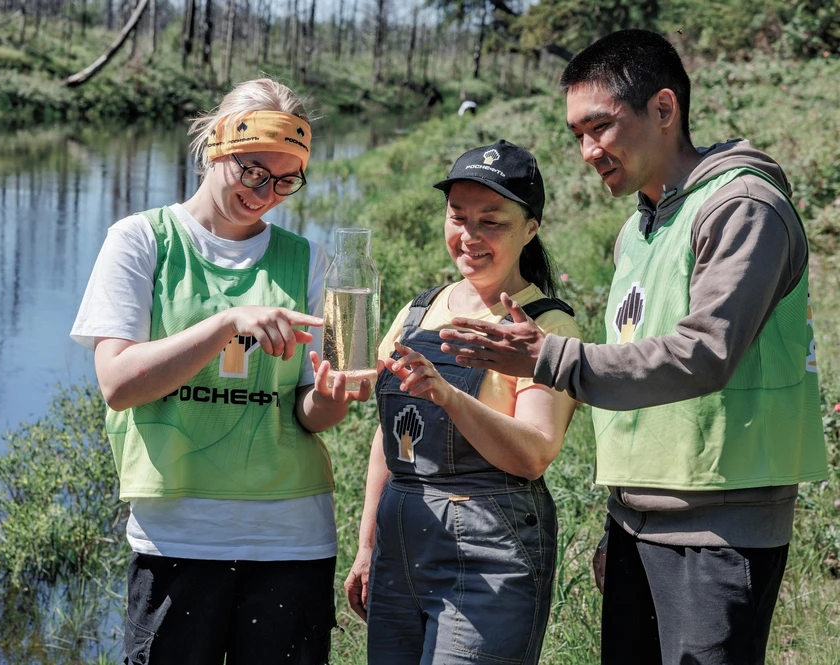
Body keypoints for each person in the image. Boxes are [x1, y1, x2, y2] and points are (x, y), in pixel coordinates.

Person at [438, 30, 828, 665]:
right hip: (636, 524)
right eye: (577, 134)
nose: (588, 151)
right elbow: (638, 381)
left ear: (664, 108)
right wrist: (618, 520)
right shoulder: (635, 232)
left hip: (720, 529)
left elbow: (704, 353)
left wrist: (548, 358)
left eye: (601, 127)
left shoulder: (742, 207)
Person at [70, 78, 372, 664]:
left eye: (285, 180)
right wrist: (227, 324)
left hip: (291, 540)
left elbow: (311, 414)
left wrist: (333, 395)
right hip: (176, 537)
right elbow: (119, 384)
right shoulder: (141, 241)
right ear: (215, 146)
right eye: (252, 171)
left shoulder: (309, 259)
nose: (265, 193)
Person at [344, 139, 581, 665]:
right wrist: (367, 547)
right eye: (458, 217)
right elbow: (389, 436)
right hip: (401, 539)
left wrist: (449, 397)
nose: (469, 236)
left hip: (489, 548)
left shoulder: (546, 327)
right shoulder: (418, 311)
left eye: (491, 222)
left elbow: (534, 454)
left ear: (530, 228)